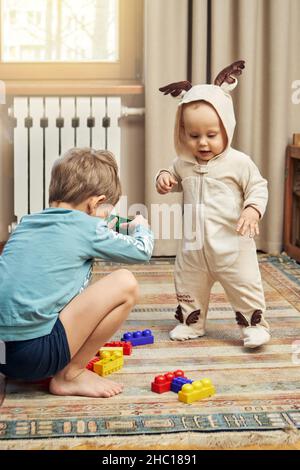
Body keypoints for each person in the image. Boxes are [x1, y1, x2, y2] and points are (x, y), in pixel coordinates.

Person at [0, 148, 154, 397]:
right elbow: (142, 251)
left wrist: (114, 222)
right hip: (35, 356)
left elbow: (98, 226)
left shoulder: (27, 223)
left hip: (4, 357)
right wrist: (141, 227)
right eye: (105, 213)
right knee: (126, 283)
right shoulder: (86, 228)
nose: (105, 221)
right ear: (94, 204)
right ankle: (70, 375)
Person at [155, 60, 270, 349]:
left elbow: (258, 186)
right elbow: (171, 173)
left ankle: (254, 326)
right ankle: (191, 322)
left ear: (227, 128)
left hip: (233, 245)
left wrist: (252, 209)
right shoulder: (184, 162)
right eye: (193, 136)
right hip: (194, 247)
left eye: (211, 135)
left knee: (245, 286)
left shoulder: (238, 162)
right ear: (183, 133)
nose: (202, 144)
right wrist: (165, 177)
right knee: (188, 283)